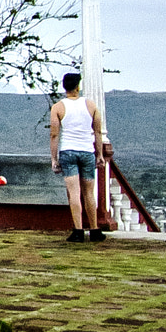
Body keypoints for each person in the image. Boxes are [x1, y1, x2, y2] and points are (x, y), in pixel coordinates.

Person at [50, 71, 105, 244]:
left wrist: (54, 158)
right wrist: (100, 154)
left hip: (68, 151)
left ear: (64, 86)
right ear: (78, 86)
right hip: (87, 151)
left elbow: (54, 134)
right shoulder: (90, 105)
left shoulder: (58, 107)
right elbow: (97, 131)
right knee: (89, 192)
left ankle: (78, 231)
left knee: (74, 193)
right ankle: (95, 230)